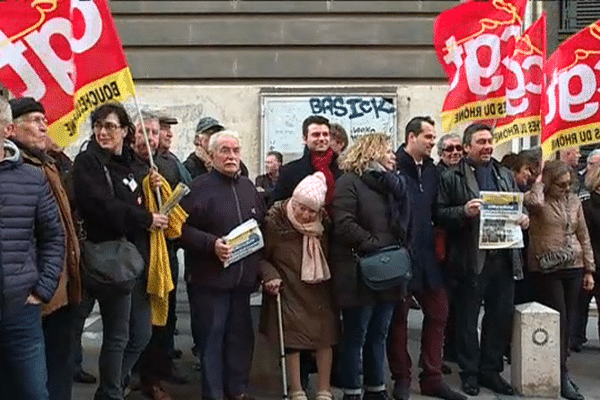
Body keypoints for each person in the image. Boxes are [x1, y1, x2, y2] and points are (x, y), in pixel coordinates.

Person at [72, 103, 169, 400]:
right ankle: (111, 393)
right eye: (99, 126)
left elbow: (130, 201)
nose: (104, 132)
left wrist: (149, 186)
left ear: (125, 131)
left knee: (139, 334)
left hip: (129, 259)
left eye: (111, 126)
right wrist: (144, 218)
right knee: (116, 335)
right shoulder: (88, 162)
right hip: (101, 257)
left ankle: (113, 386)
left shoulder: (125, 163)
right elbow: (104, 207)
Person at [436, 122, 529, 397]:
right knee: (467, 320)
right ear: (467, 147)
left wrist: (524, 219)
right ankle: (470, 373)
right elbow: (439, 213)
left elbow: (518, 208)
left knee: (499, 317)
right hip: (470, 259)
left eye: (490, 141)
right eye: (481, 142)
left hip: (503, 256)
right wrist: (463, 211)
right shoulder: (452, 176)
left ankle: (491, 370)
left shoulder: (504, 174)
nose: (488, 146)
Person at [179, 130, 265, 400]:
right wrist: (210, 244)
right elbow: (177, 229)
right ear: (212, 155)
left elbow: (262, 224)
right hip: (209, 281)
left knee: (240, 340)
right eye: (225, 151)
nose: (231, 156)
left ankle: (237, 390)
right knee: (212, 342)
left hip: (242, 281)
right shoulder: (197, 188)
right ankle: (214, 394)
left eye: (236, 151)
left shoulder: (248, 187)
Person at [8, 97, 82, 400]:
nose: (44, 127)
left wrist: (59, 153)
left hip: (57, 287)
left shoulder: (45, 162)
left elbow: (63, 223)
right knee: (35, 381)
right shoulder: (21, 168)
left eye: (44, 120)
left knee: (59, 366)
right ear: (12, 129)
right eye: (36, 120)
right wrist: (41, 288)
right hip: (37, 294)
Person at [388, 117, 464, 400]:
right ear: (411, 137)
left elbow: (438, 211)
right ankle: (402, 379)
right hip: (400, 257)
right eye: (429, 137)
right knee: (399, 321)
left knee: (439, 313)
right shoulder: (394, 167)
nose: (433, 142)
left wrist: (462, 213)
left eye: (434, 138)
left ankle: (432, 378)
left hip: (429, 258)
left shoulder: (432, 171)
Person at [331, 133, 410, 400]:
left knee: (380, 332)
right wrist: (372, 243)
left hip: (389, 269)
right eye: (388, 151)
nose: (393, 156)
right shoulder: (348, 182)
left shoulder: (392, 185)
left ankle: (375, 389)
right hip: (359, 270)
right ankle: (352, 390)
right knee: (357, 335)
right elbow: (342, 223)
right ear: (372, 151)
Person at [0, 96, 65, 400]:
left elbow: (54, 237)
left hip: (20, 311)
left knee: (32, 393)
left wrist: (41, 289)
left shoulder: (31, 178)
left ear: (7, 129)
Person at [261, 172, 339, 400]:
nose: (305, 215)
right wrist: (270, 275)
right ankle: (296, 389)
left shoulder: (323, 223)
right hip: (288, 286)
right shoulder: (275, 220)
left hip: (319, 287)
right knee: (292, 338)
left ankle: (324, 389)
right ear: (293, 201)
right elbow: (261, 255)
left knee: (325, 337)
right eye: (300, 207)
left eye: (311, 211)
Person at [524, 159, 594, 400]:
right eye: (561, 184)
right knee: (559, 319)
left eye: (568, 184)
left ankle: (563, 371)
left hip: (573, 264)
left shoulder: (574, 201)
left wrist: (589, 270)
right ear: (550, 182)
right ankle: (558, 372)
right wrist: (539, 183)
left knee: (569, 320)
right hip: (547, 265)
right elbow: (532, 202)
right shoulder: (539, 200)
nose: (566, 189)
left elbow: (583, 236)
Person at [272, 115, 341, 213]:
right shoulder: (289, 172)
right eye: (316, 135)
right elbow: (277, 209)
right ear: (305, 139)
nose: (322, 138)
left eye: (325, 134)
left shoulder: (343, 169)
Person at [572, 149, 600, 352]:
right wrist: (589, 267)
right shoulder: (587, 204)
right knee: (580, 305)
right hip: (591, 262)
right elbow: (584, 236)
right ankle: (575, 339)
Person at [183, 116, 249, 179]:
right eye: (210, 134)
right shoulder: (189, 167)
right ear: (198, 140)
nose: (215, 138)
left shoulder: (237, 165)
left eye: (218, 134)